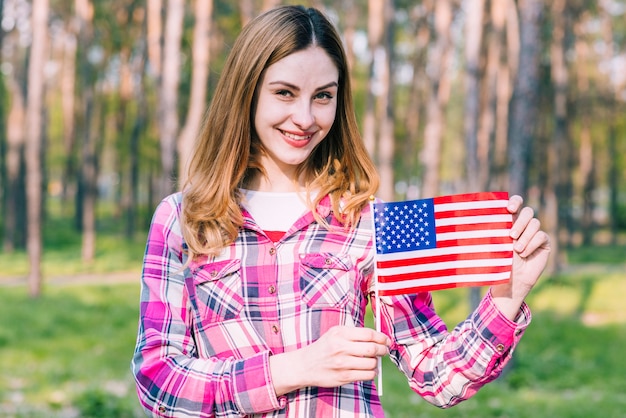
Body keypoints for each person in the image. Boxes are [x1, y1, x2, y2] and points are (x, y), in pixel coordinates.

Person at [131, 5, 551, 417]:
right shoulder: (182, 219)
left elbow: (438, 374)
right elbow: (158, 382)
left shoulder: (373, 220)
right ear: (247, 91)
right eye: (284, 93)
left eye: (323, 97)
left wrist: (509, 293)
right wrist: (293, 368)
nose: (305, 117)